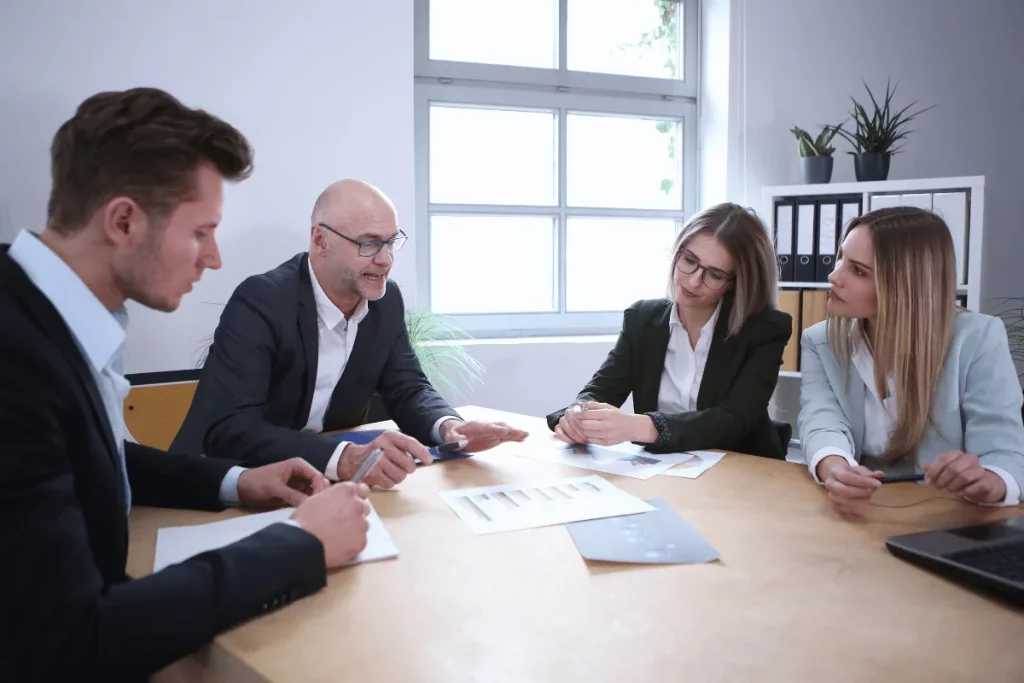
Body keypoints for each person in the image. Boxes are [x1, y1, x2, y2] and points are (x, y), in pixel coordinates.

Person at [0, 88, 376, 683]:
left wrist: (236, 481)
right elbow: (70, 640)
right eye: (202, 232)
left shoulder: (46, 312)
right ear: (123, 220)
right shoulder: (14, 357)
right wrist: (299, 545)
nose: (215, 258)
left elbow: (85, 459)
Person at [171, 179, 527, 486]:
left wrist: (449, 428)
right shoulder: (262, 301)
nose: (386, 259)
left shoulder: (386, 303)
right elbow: (232, 428)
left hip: (322, 479)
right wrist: (343, 457)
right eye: (369, 243)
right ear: (320, 240)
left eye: (391, 242)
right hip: (224, 481)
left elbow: (407, 387)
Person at [799, 206, 1024, 517]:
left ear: (904, 286)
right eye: (840, 259)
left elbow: (1005, 452)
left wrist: (989, 480)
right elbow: (821, 422)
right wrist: (835, 468)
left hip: (943, 515)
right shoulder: (820, 341)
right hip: (862, 512)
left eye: (858, 270)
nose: (833, 276)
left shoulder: (978, 338)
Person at [546, 203, 792, 458]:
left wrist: (642, 427)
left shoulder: (765, 330)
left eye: (715, 275)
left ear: (736, 283)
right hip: (667, 471)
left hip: (744, 472)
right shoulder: (642, 319)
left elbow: (734, 421)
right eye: (689, 260)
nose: (693, 280)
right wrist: (577, 414)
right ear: (677, 253)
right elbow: (600, 390)